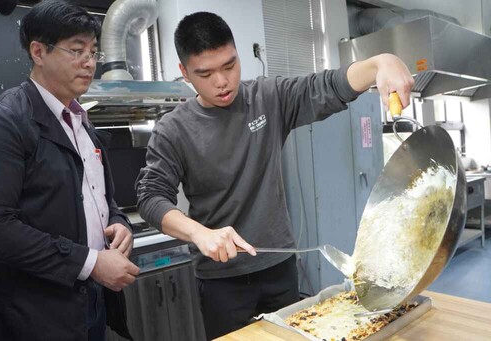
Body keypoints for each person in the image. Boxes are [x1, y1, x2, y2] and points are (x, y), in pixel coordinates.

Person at [136, 11, 414, 339]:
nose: (222, 81)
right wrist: (199, 234)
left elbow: (328, 86)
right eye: (206, 73)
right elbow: (150, 197)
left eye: (229, 65)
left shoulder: (266, 98)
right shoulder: (174, 129)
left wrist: (381, 62)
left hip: (280, 268)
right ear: (184, 72)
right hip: (222, 282)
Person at [0, 1, 140, 340]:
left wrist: (119, 223)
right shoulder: (2, 121)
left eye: (94, 51)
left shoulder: (83, 124)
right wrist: (91, 263)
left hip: (91, 302)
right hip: (35, 314)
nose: (89, 62)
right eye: (76, 50)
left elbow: (103, 200)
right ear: (38, 51)